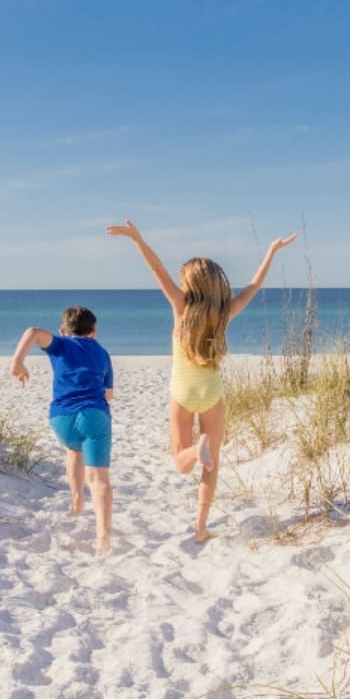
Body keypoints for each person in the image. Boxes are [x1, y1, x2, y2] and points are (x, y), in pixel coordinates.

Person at [105, 220, 297, 544]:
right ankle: (200, 527)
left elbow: (156, 268)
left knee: (182, 461)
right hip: (212, 394)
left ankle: (196, 450)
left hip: (181, 393)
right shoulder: (225, 312)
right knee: (213, 466)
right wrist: (271, 252)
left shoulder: (181, 307)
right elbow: (253, 286)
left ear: (190, 283)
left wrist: (136, 238)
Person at [10, 306, 115, 556]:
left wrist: (17, 362)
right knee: (99, 478)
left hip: (61, 418)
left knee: (72, 448)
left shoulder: (60, 344)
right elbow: (108, 394)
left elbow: (33, 332)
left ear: (63, 331)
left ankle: (77, 501)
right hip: (93, 414)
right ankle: (102, 538)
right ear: (94, 332)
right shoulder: (102, 353)